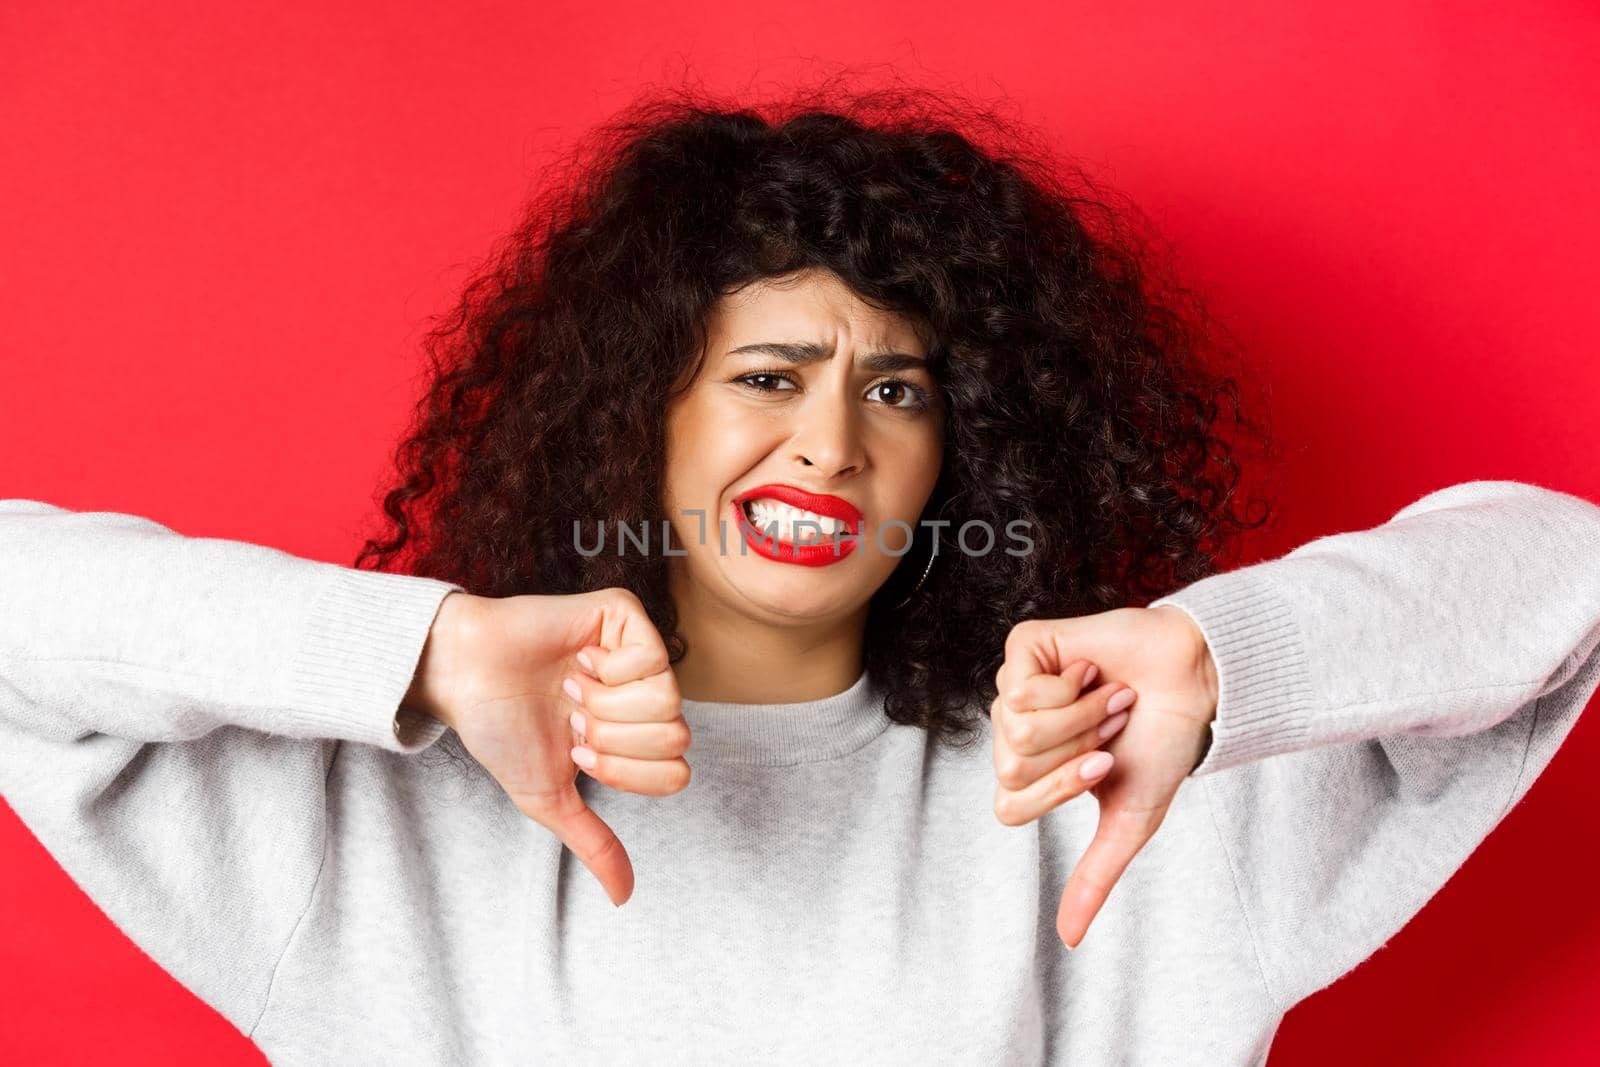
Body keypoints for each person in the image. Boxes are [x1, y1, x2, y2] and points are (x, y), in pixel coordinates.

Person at [3, 84, 1598, 1065]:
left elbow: (1561, 572)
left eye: (897, 391)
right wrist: (425, 650)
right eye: (768, 377)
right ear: (643, 417)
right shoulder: (376, 824)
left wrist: (1226, 658)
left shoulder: (1117, 799)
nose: (832, 442)